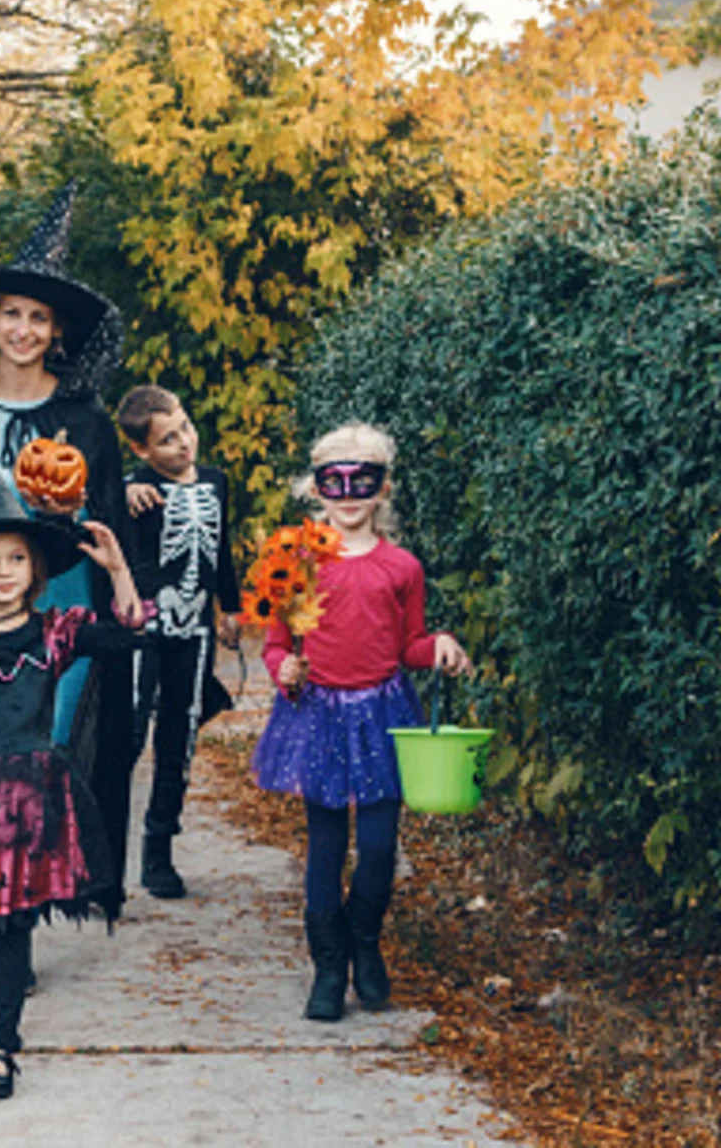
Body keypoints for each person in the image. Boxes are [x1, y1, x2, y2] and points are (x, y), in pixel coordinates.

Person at [0, 183, 142, 917]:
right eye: (10, 313)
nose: (22, 328)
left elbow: (109, 527)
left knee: (46, 749)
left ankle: (31, 900)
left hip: (66, 597)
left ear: (55, 331)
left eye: (37, 317)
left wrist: (118, 588)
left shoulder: (85, 420)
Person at [0, 422, 145, 1100]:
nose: (4, 571)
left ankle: (3, 1048)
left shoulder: (56, 633)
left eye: (16, 558)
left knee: (12, 922)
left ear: (34, 568)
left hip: (31, 801)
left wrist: (118, 567)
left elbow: (132, 633)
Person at [252, 423, 472, 1022]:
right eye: (334, 480)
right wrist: (284, 669)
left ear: (383, 489)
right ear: (316, 487)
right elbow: (275, 644)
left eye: (362, 481)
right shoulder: (294, 560)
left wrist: (442, 645)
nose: (348, 493)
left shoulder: (402, 568)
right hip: (318, 713)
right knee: (325, 845)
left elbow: (409, 646)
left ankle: (365, 941)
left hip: (381, 713)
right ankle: (328, 967)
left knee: (377, 847)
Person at [117, 384, 242, 900]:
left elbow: (222, 550)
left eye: (185, 428)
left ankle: (159, 847)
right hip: (148, 630)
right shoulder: (136, 487)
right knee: (128, 733)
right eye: (168, 440)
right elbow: (117, 543)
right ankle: (102, 854)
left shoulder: (215, 482)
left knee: (180, 735)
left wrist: (231, 607)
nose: (185, 444)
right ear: (143, 450)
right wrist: (122, 494)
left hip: (196, 631)